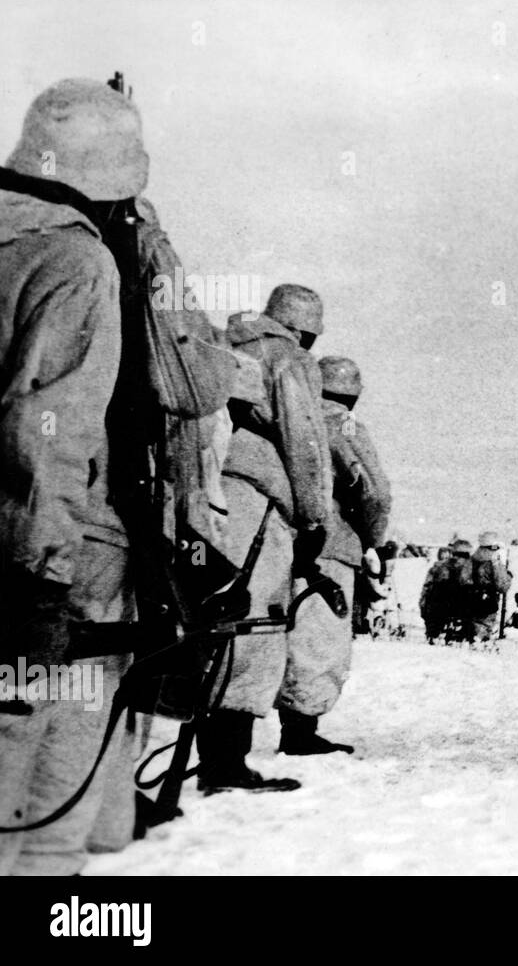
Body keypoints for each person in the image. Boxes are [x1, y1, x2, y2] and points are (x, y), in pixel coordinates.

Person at [0, 79, 143, 874]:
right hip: (37, 545)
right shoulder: (79, 259)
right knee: (46, 766)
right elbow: (47, 431)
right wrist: (44, 579)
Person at [193, 284, 333, 793]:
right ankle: (226, 761)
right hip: (258, 497)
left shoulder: (222, 341)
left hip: (207, 488)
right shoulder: (288, 358)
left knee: (214, 612)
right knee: (256, 622)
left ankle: (207, 749)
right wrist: (315, 516)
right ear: (305, 329)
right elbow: (305, 440)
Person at [276, 356, 390, 755]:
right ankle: (299, 732)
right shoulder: (345, 425)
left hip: (275, 538)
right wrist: (371, 541)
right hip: (330, 544)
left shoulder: (282, 412)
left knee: (270, 633)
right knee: (318, 639)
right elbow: (375, 493)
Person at [469, 531, 511, 644]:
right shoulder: (494, 562)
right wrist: (508, 577)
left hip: (469, 600)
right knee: (484, 626)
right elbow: (502, 585)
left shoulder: (472, 560)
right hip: (487, 603)